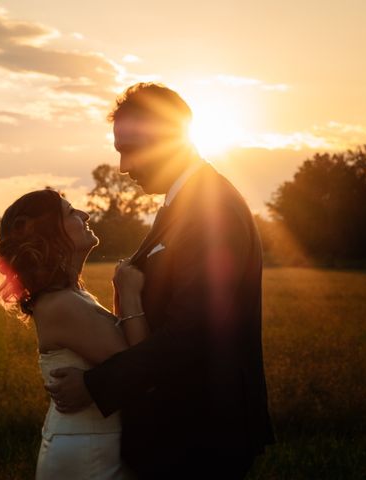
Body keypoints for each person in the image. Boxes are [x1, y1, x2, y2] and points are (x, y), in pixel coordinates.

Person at [45, 83, 276, 479]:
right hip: (181, 432)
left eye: (128, 149)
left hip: (200, 438)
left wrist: (97, 386)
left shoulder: (211, 208)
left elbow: (193, 333)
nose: (122, 167)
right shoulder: (182, 203)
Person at [0, 188, 149, 479]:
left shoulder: (72, 295)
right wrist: (130, 294)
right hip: (87, 452)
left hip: (94, 442)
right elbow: (138, 367)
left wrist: (119, 292)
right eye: (70, 212)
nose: (85, 214)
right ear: (47, 233)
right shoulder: (60, 304)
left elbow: (119, 349)